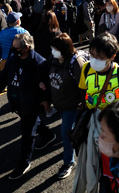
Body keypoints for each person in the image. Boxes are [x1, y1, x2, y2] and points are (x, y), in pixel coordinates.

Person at [73, 33, 119, 193]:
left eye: (100, 56)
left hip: (117, 132)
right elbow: (84, 94)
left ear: (112, 57)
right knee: (93, 168)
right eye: (92, 54)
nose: (94, 59)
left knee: (111, 176)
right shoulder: (87, 69)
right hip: (94, 126)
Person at [0, 32, 55, 180]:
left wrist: (46, 101)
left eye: (16, 48)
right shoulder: (14, 59)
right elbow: (4, 76)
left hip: (31, 104)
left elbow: (47, 85)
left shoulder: (39, 63)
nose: (14, 51)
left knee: (27, 133)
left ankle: (24, 162)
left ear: (26, 48)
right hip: (17, 102)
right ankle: (48, 135)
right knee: (31, 124)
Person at [47, 33, 86, 179]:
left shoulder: (76, 63)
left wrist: (83, 103)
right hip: (59, 102)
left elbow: (83, 87)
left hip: (72, 105)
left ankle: (68, 162)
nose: (52, 51)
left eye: (55, 48)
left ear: (64, 49)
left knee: (66, 132)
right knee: (68, 132)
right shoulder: (54, 59)